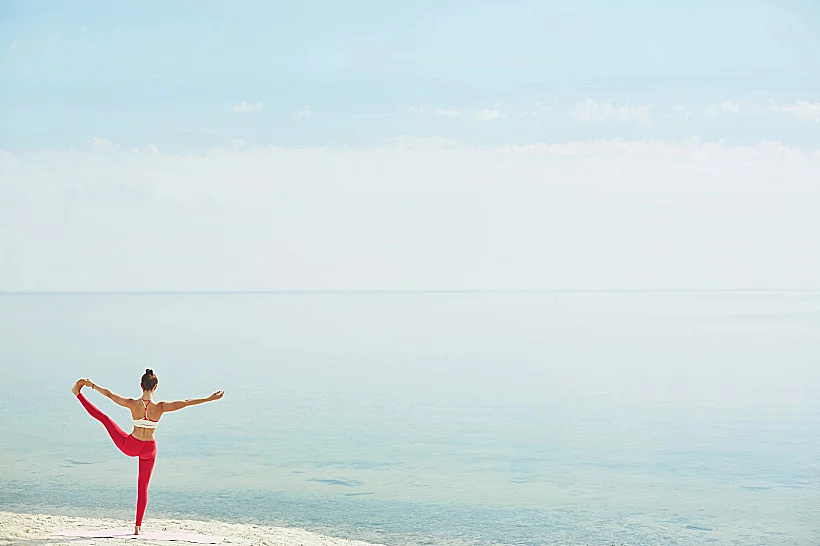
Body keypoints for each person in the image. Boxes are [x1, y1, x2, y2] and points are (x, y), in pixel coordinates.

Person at [71, 369, 224, 535]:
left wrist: (91, 385)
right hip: (149, 449)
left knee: (105, 419)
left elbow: (109, 394)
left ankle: (77, 394)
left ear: (141, 385)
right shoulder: (161, 407)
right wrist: (210, 398)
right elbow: (186, 402)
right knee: (142, 487)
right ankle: (138, 527)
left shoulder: (132, 404)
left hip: (131, 446)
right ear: (156, 387)